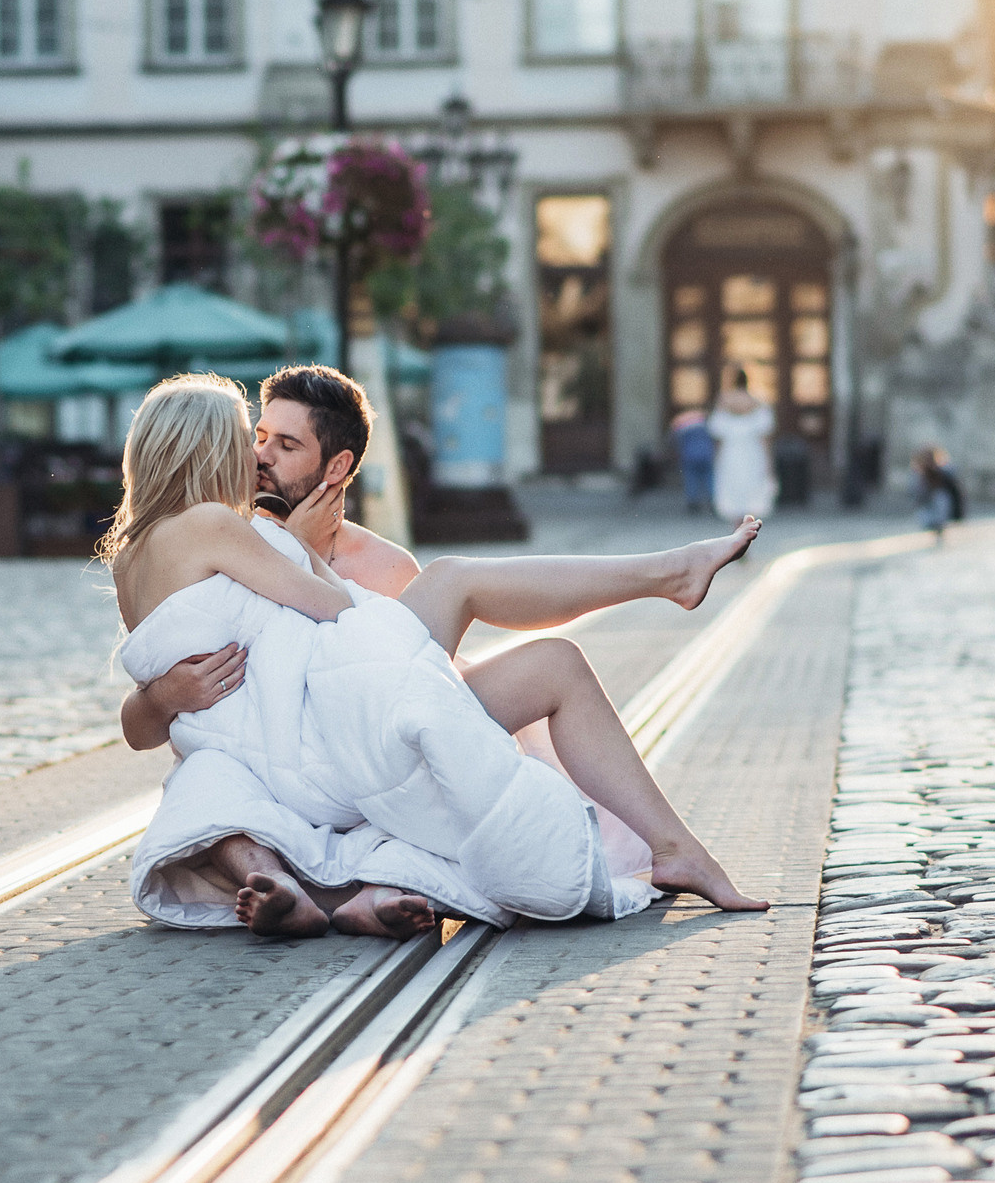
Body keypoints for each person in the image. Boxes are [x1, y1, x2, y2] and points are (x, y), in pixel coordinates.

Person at [109, 374, 765, 943]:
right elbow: (334, 610)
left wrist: (164, 696)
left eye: (276, 442)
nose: (254, 456)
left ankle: (674, 844)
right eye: (248, 438)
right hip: (321, 739)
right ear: (208, 449)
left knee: (555, 666)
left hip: (300, 744)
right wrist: (295, 543)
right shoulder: (216, 525)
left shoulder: (129, 562)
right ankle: (669, 574)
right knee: (453, 579)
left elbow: (148, 703)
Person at [710, 368, 777, 522]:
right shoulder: (758, 403)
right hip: (753, 453)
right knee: (752, 492)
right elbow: (765, 438)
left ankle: (737, 530)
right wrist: (769, 463)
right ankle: (748, 530)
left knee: (733, 491)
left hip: (730, 454)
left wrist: (716, 459)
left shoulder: (724, 402)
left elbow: (718, 434)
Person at [912, 446, 965, 543]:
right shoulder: (920, 472)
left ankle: (939, 532)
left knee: (940, 516)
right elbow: (917, 489)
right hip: (928, 499)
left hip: (940, 497)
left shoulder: (944, 470)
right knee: (928, 520)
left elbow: (954, 487)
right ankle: (937, 532)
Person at [670, 408, 715, 514]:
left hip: (689, 456)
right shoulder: (707, 424)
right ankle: (712, 500)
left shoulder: (682, 424)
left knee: (691, 479)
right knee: (709, 479)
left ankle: (693, 502)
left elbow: (674, 440)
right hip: (706, 455)